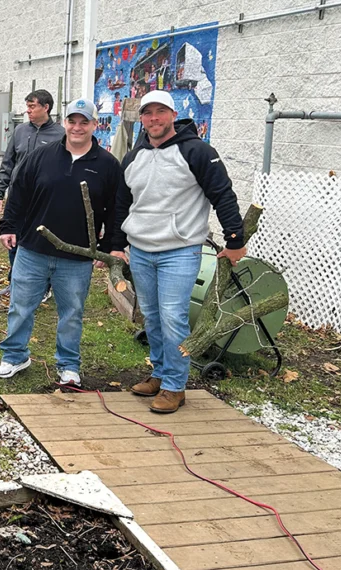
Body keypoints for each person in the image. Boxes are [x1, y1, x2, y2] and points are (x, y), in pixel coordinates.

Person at [110, 90, 245, 413]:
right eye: (147, 113)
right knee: (153, 317)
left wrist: (235, 239)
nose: (154, 119)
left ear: (173, 114)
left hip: (180, 251)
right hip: (141, 250)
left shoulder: (197, 152)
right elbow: (121, 204)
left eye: (160, 112)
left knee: (173, 319)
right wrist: (115, 244)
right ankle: (159, 372)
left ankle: (175, 385)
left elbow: (222, 195)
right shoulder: (134, 156)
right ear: (141, 118)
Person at [0, 99, 121, 385]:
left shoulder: (108, 165)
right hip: (32, 249)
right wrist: (8, 226)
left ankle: (68, 365)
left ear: (94, 125)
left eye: (84, 122)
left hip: (77, 256)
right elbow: (19, 194)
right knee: (21, 305)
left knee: (72, 313)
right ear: (64, 123)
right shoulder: (41, 157)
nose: (77, 127)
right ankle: (14, 356)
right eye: (72, 121)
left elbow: (116, 209)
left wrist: (110, 245)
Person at [0, 90, 66, 296]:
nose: (28, 111)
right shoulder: (20, 132)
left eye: (32, 106)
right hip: (18, 199)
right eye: (27, 106)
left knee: (41, 242)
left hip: (45, 201)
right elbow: (8, 163)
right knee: (13, 239)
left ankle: (44, 287)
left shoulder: (60, 135)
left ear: (46, 107)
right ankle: (15, 283)